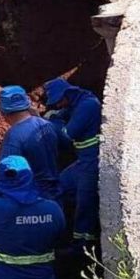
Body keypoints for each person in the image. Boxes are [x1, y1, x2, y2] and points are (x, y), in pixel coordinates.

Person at [42, 78, 101, 246]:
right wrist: (56, 115)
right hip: (83, 161)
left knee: (85, 202)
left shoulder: (88, 105)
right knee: (61, 186)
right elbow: (64, 112)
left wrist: (52, 122)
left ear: (67, 94)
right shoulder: (77, 102)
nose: (58, 105)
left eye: (58, 101)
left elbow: (68, 135)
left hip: (92, 162)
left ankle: (83, 244)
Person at [0, 86, 61, 201]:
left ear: (3, 112)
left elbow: (8, 175)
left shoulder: (14, 136)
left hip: (33, 199)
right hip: (56, 193)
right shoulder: (47, 124)